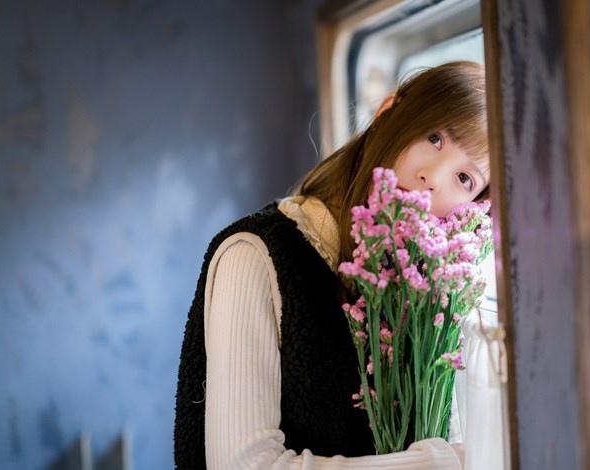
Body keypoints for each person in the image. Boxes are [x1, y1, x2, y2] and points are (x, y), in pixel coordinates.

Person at [174, 60, 491, 469]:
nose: (433, 177)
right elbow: (244, 465)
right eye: (434, 138)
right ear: (386, 116)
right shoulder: (254, 255)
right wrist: (437, 463)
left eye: (465, 179)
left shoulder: (429, 302)